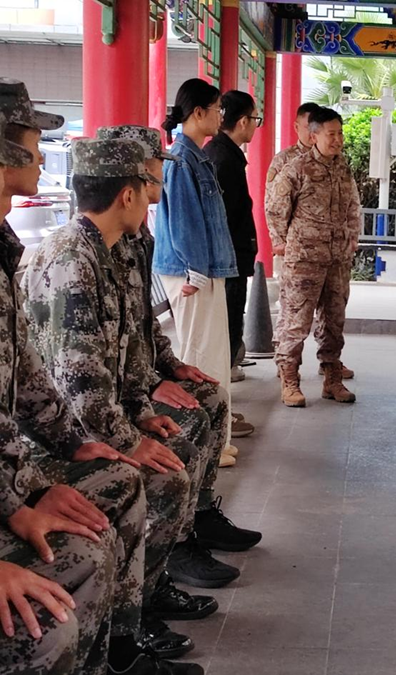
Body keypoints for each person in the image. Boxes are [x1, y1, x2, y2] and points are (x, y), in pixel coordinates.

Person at [21, 138, 214, 670]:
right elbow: (76, 382)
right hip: (54, 442)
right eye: (148, 185)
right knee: (154, 476)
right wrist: (128, 441)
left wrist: (141, 410)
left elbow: (128, 347)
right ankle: (127, 635)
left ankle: (137, 613)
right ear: (127, 195)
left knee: (178, 440)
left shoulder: (106, 250)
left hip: (83, 424)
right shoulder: (72, 260)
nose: (154, 196)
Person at [96, 125, 260, 560]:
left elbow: (143, 325)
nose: (160, 177)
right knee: (182, 439)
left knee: (211, 395)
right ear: (129, 182)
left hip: (132, 389)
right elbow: (80, 376)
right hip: (105, 410)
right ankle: (176, 550)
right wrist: (145, 400)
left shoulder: (134, 239)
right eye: (154, 169)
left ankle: (201, 517)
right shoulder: (77, 258)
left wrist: (169, 368)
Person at [0, 107, 118, 675]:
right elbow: (75, 369)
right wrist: (17, 503)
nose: (40, 155)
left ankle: (121, 648)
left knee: (102, 510)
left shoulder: (4, 250)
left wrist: (72, 445)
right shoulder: (70, 254)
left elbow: (25, 381)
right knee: (48, 624)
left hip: (12, 476)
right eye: (31, 140)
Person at [154, 78, 237, 447]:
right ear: (199, 112)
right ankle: (203, 443)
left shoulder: (194, 157)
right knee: (201, 356)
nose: (221, 116)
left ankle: (216, 441)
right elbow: (184, 222)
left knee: (211, 353)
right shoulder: (182, 160)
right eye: (217, 109)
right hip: (193, 273)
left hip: (201, 270)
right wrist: (196, 272)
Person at [266, 107, 360, 407]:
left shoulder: (343, 168)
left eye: (340, 134)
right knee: (296, 322)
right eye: (331, 134)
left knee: (334, 321)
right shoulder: (297, 168)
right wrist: (282, 242)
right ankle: (290, 380)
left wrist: (352, 236)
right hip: (304, 260)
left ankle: (332, 379)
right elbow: (276, 208)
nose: (337, 140)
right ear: (314, 135)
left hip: (337, 260)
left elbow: (353, 205)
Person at [203, 91, 262, 436]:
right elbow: (222, 218)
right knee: (223, 337)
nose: (255, 125)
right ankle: (219, 415)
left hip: (232, 261)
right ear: (243, 122)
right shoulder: (222, 158)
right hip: (226, 264)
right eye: (255, 119)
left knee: (228, 334)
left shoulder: (224, 154)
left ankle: (222, 409)